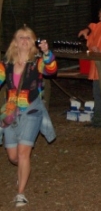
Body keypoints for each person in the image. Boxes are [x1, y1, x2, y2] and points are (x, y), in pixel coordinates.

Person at [0, 25, 57, 208]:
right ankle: (22, 172)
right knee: (13, 156)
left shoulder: (37, 63)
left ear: (33, 42)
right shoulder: (6, 65)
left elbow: (51, 70)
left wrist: (47, 52)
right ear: (15, 42)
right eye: (20, 37)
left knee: (24, 153)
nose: (24, 40)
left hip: (32, 110)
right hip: (10, 113)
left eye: (28, 37)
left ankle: (20, 193)